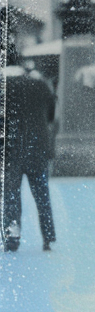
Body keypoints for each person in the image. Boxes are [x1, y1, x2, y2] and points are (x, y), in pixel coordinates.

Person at [2, 53, 57, 253]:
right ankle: (48, 237)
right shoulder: (41, 85)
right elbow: (50, 115)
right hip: (38, 149)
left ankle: (12, 238)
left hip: (12, 151)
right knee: (42, 195)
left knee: (11, 199)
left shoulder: (4, 87)